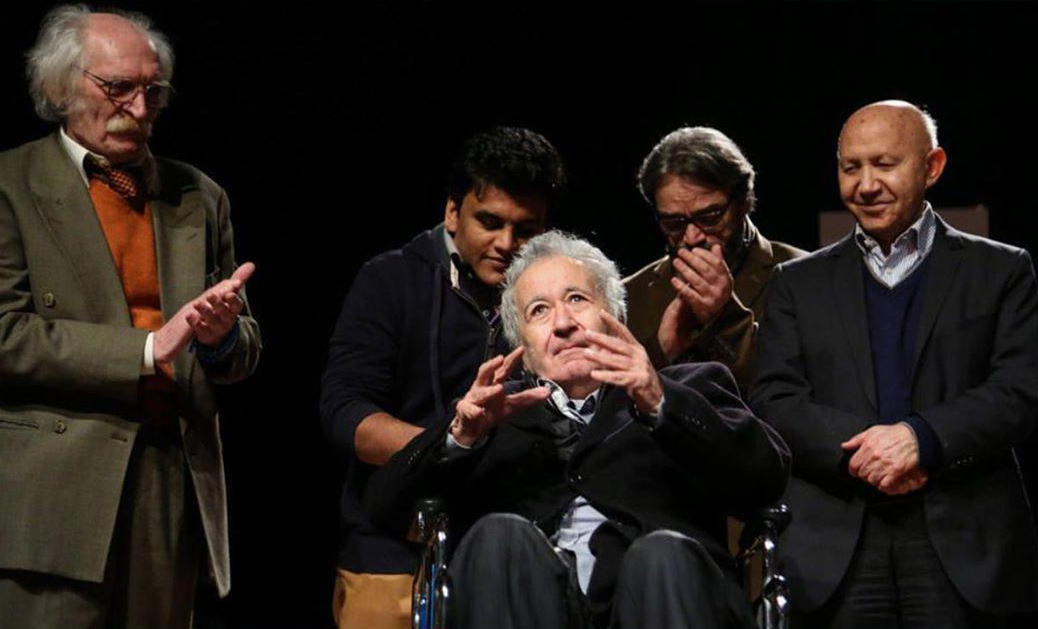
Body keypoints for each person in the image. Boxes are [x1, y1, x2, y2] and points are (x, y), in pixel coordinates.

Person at [363, 230, 790, 629]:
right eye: (539, 310)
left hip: (657, 598)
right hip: (527, 603)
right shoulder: (490, 413)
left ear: (615, 315)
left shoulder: (685, 388)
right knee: (499, 537)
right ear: (521, 347)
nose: (563, 323)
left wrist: (659, 401)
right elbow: (385, 507)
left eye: (577, 299)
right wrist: (459, 437)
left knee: (661, 553)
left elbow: (766, 478)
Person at [0, 6, 260, 629]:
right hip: (55, 485)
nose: (140, 110)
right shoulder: (11, 184)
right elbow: (6, 333)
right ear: (62, 86)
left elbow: (242, 347)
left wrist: (222, 338)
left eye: (153, 92)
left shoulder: (198, 195)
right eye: (118, 89)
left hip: (168, 478)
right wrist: (146, 350)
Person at [751, 100, 1038, 627]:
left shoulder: (1001, 269)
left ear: (932, 166)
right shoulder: (797, 283)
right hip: (838, 541)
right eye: (851, 167)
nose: (866, 185)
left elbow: (1019, 391)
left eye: (884, 164)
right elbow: (774, 399)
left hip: (961, 536)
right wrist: (871, 452)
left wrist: (921, 439)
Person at [320, 127, 566, 629]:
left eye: (526, 229)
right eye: (489, 222)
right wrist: (452, 445)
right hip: (392, 544)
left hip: (518, 542)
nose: (506, 244)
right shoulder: (389, 280)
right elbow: (347, 416)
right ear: (453, 211)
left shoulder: (557, 295)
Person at [625, 126, 806, 392]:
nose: (692, 237)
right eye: (674, 223)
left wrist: (724, 316)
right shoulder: (629, 296)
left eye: (709, 217)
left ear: (744, 200)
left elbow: (796, 390)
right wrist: (661, 353)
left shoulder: (805, 277)